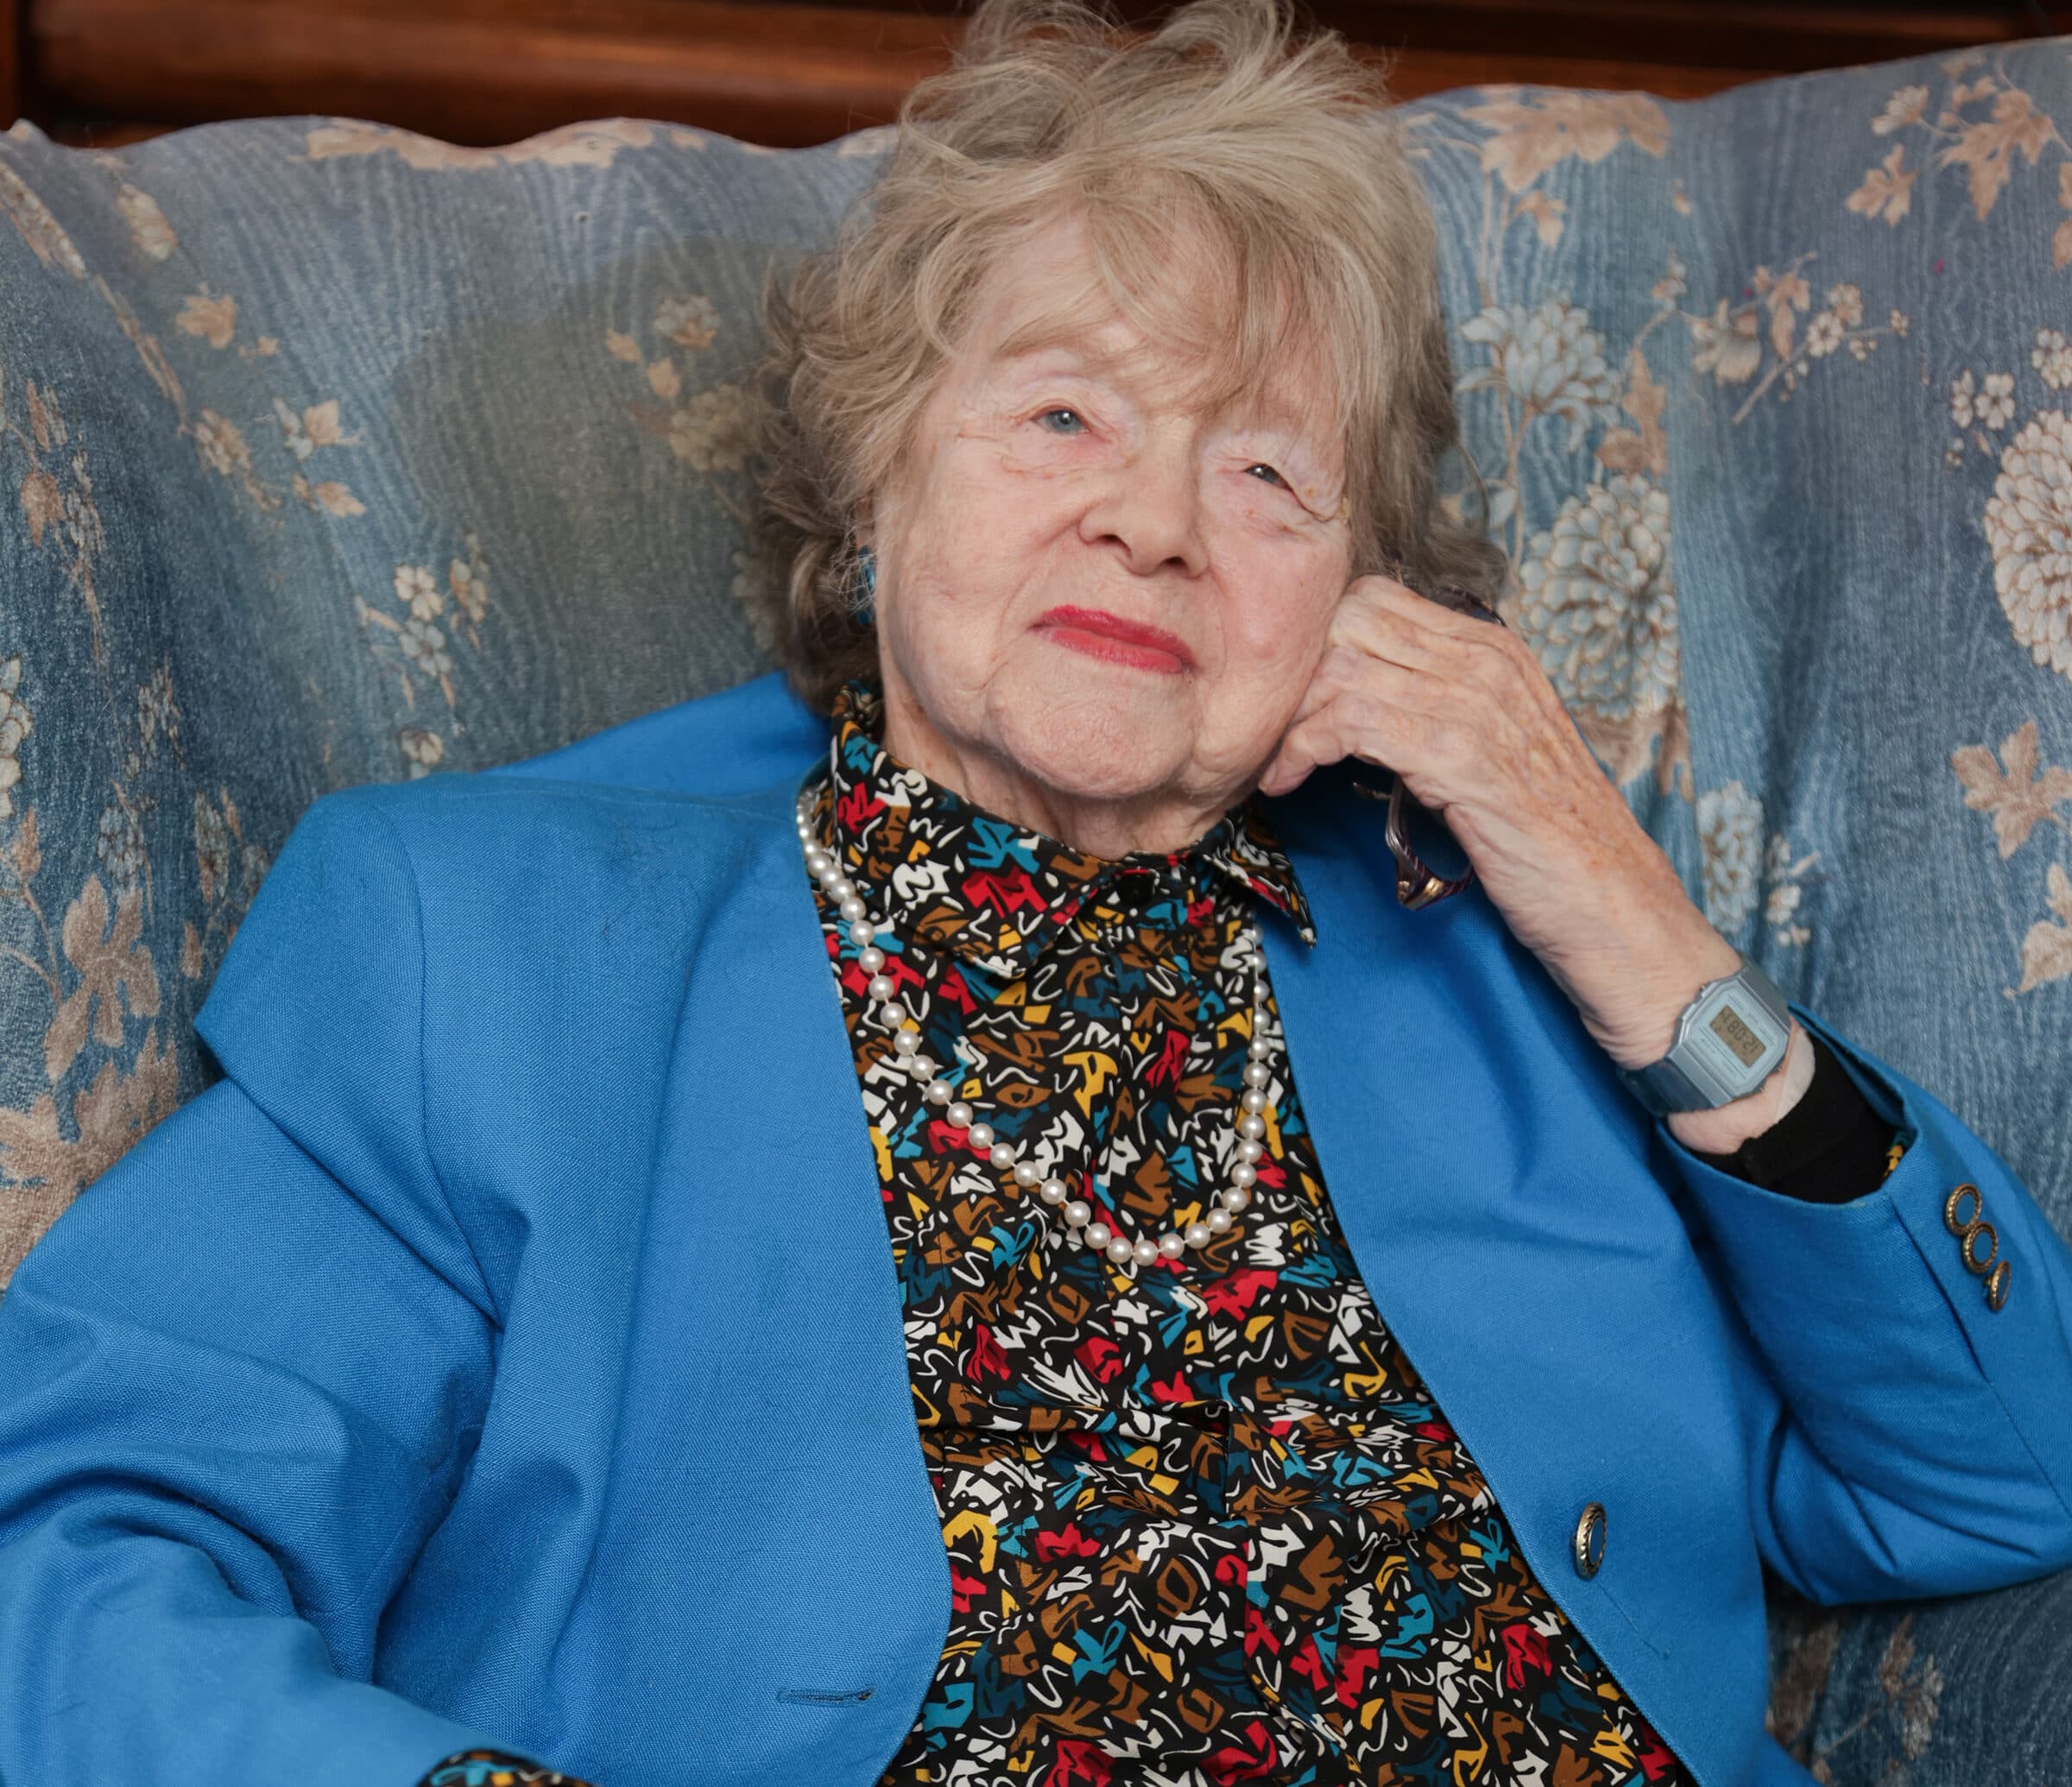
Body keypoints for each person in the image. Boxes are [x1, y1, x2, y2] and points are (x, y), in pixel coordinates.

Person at [2, 3, 2069, 1784]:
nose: (1155, 520)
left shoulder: (1502, 963)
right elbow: (80, 1550)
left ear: (1362, 593)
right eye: (1063, 409)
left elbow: (1991, 1473)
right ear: (881, 478)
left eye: (1267, 472)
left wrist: (1635, 924)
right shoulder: (497, 950)